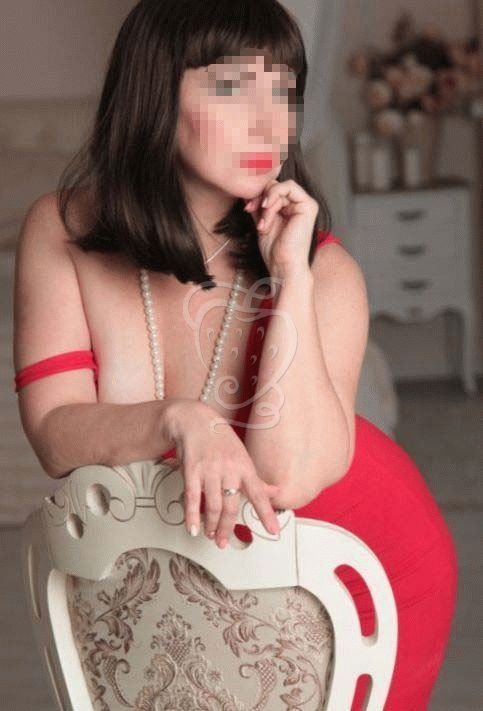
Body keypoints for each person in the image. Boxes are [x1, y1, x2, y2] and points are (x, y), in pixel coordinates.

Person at [13, 0, 457, 708]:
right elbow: (55, 434)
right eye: (229, 86)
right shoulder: (63, 229)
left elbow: (283, 477)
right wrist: (181, 419)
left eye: (282, 89)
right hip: (184, 562)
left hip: (360, 554)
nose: (268, 123)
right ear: (155, 93)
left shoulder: (324, 271)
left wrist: (290, 279)